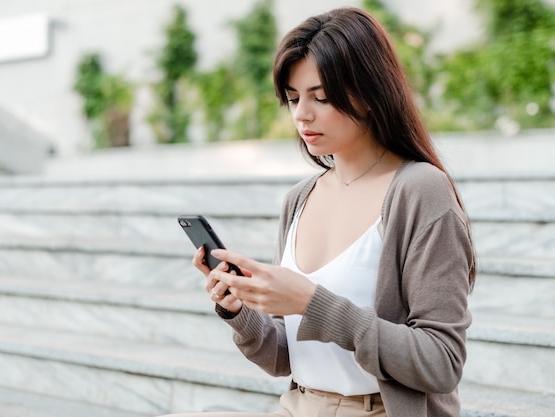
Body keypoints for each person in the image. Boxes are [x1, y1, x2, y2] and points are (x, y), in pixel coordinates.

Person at [163, 6, 475, 417]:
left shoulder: (420, 191)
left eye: (321, 97)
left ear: (370, 93)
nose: (301, 115)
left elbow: (441, 363)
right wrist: (238, 310)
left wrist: (314, 303)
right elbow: (284, 357)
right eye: (293, 98)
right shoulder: (299, 198)